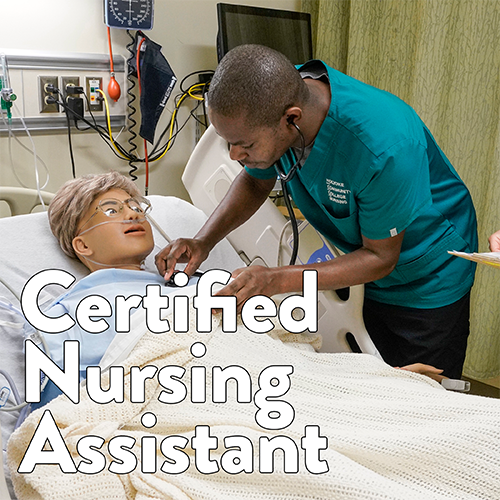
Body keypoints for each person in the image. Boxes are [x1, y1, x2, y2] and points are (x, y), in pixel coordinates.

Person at [155, 44, 478, 379]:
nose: (235, 156)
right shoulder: (273, 97)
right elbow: (254, 183)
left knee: (419, 391)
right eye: (229, 144)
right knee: (374, 378)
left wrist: (275, 280)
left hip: (427, 273)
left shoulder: (383, 147)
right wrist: (203, 241)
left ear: (292, 118)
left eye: (246, 145)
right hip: (366, 267)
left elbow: (381, 257)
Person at [36, 171, 199, 406]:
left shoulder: (194, 285)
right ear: (83, 245)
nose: (133, 214)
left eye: (136, 207)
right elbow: (54, 407)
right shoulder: (64, 316)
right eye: (112, 210)